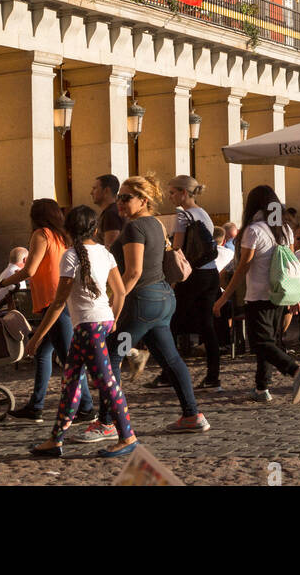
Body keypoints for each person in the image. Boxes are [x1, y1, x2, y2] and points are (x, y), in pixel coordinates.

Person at [87, 176, 209, 437]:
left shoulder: (134, 228)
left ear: (143, 200)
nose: (120, 202)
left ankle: (107, 423)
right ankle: (192, 415)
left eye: (126, 197)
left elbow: (133, 272)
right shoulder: (155, 223)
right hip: (162, 301)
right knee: (170, 358)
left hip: (142, 303)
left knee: (110, 357)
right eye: (119, 197)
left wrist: (114, 306)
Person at [23, 206, 136, 460]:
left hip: (88, 325)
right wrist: (114, 320)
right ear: (94, 229)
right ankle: (56, 439)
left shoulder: (70, 256)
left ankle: (127, 436)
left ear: (68, 230)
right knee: (71, 380)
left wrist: (38, 336)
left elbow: (58, 302)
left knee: (106, 383)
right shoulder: (105, 253)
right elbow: (119, 293)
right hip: (100, 321)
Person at [0, 200, 93, 423]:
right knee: (44, 353)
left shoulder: (41, 234)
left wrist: (1, 283)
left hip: (53, 300)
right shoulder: (62, 235)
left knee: (69, 357)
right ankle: (35, 405)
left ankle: (86, 406)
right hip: (63, 297)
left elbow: (29, 269)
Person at [213, 184, 300, 403]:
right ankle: (261, 388)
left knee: (260, 343)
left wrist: (224, 297)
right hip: (279, 293)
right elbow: (289, 264)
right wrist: (294, 297)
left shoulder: (254, 230)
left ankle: (295, 370)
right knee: (268, 342)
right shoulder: (285, 229)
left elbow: (242, 269)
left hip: (257, 295)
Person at [161, 174, 222, 392]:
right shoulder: (203, 214)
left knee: (171, 322)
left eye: (172, 192)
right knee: (207, 326)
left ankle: (167, 373)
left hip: (192, 275)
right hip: (210, 273)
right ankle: (213, 376)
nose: (170, 196)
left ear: (183, 193)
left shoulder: (183, 216)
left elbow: (177, 251)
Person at [91, 173, 123, 247]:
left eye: (95, 188)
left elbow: (111, 248)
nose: (91, 193)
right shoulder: (112, 212)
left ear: (106, 190)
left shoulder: (111, 215)